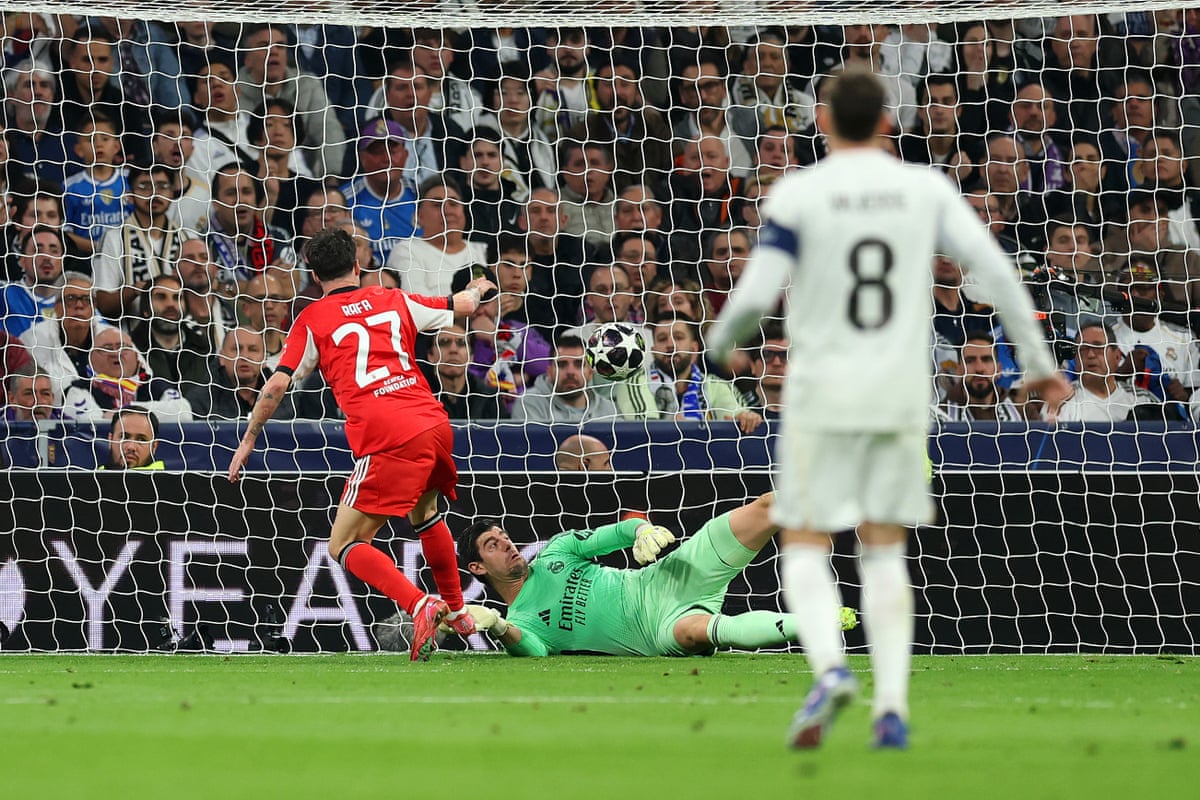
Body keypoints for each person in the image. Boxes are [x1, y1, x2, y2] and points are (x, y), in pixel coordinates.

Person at [707, 67, 1069, 750]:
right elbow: (997, 272)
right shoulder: (924, 188)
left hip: (821, 394)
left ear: (821, 121)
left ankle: (831, 667)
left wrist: (721, 345)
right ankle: (892, 708)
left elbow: (756, 292)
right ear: (885, 122)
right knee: (883, 549)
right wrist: (1042, 368)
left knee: (807, 542)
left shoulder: (801, 191)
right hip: (899, 394)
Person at [227, 227, 497, 661]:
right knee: (425, 514)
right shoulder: (394, 299)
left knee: (343, 545)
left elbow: (277, 383)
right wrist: (479, 286)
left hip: (388, 434)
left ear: (314, 276)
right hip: (432, 421)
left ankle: (420, 604)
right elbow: (464, 305)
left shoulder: (312, 319)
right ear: (358, 266)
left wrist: (250, 436)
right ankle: (459, 611)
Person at [455, 493, 854, 657]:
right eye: (493, 545)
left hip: (669, 575)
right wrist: (498, 626)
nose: (507, 545)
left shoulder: (557, 550)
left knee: (768, 508)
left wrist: (642, 530)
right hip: (656, 629)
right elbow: (534, 652)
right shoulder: (523, 621)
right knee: (701, 631)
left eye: (505, 537)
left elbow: (621, 530)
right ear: (477, 568)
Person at [104, 405, 165, 470]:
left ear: (154, 447)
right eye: (124, 437)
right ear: (110, 440)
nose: (131, 447)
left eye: (141, 440)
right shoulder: (94, 477)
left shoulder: (167, 480)